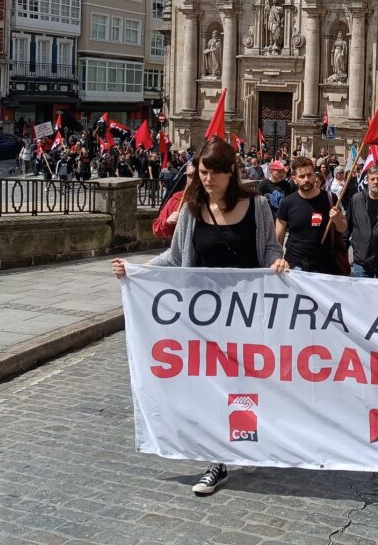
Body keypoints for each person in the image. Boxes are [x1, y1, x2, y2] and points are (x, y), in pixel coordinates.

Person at [111, 139, 287, 496]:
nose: (207, 179)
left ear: (231, 172)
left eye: (214, 173)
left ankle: (250, 438)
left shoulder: (258, 205)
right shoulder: (192, 208)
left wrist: (277, 262)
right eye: (202, 172)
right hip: (203, 321)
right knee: (211, 386)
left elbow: (269, 248)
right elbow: (175, 259)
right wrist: (136, 271)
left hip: (246, 314)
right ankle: (217, 459)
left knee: (244, 385)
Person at [275, 156, 347, 274]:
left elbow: (342, 227)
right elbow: (278, 237)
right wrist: (279, 260)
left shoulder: (330, 198)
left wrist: (337, 219)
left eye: (309, 175)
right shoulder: (287, 203)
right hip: (295, 265)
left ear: (315, 175)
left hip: (324, 266)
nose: (306, 179)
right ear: (294, 178)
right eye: (302, 176)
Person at [152, 162, 196, 240]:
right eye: (190, 175)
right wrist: (167, 221)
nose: (193, 180)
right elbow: (157, 230)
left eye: (198, 175)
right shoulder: (176, 200)